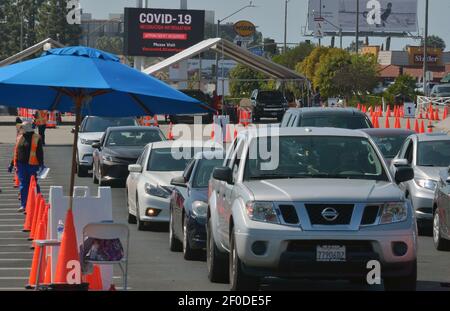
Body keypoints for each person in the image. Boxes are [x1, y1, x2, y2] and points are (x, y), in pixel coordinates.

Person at [13, 122, 44, 213]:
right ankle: (24, 205)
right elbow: (16, 151)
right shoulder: (20, 137)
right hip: (21, 165)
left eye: (22, 127)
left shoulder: (36, 137)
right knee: (23, 186)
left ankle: (36, 204)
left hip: (33, 165)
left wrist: (41, 164)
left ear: (26, 128)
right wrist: (12, 164)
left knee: (33, 185)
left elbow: (39, 152)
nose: (20, 129)